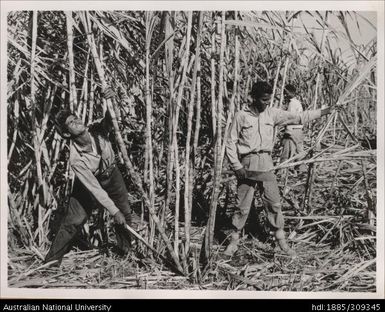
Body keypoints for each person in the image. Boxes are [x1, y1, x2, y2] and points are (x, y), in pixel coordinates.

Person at [224, 81, 332, 257]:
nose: (267, 103)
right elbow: (230, 141)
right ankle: (234, 241)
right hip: (247, 164)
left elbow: (298, 118)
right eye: (263, 99)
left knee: (273, 203)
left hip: (266, 163)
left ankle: (281, 241)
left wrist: (324, 111)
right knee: (242, 206)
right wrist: (236, 166)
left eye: (268, 99)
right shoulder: (241, 116)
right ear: (253, 97)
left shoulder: (272, 114)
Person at [44, 89, 134, 266]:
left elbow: (112, 119)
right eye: (71, 122)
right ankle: (51, 262)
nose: (77, 121)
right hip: (89, 183)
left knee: (125, 212)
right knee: (73, 220)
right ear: (67, 134)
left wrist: (110, 102)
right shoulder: (76, 160)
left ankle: (125, 253)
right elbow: (95, 189)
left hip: (112, 174)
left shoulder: (96, 129)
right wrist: (112, 211)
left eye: (75, 117)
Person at [280, 84, 306, 169]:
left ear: (290, 93)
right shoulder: (297, 103)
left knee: (287, 152)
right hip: (299, 131)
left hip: (292, 131)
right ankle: (302, 170)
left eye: (285, 93)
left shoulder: (292, 104)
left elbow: (291, 117)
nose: (284, 95)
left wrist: (282, 123)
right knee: (299, 152)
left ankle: (285, 170)